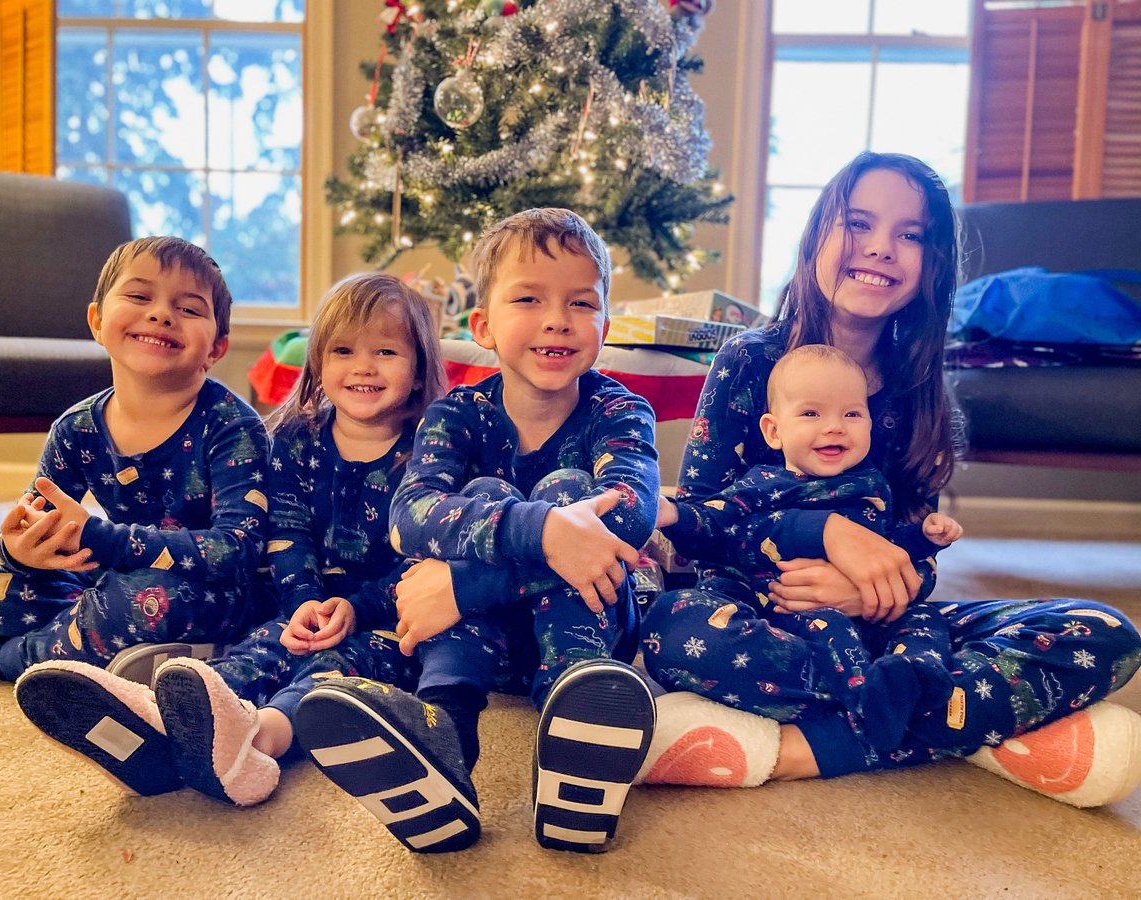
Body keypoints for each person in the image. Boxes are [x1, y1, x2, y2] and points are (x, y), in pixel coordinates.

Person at [638, 151, 1141, 808]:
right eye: (859, 223)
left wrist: (874, 583)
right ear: (817, 234)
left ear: (933, 265)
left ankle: (805, 748)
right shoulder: (750, 360)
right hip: (764, 618)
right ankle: (973, 731)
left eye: (912, 236)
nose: (881, 248)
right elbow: (702, 526)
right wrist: (824, 532)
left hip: (888, 633)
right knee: (670, 629)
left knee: (1104, 630)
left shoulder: (916, 385)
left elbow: (917, 562)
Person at [292, 208, 662, 854]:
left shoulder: (619, 411)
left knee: (571, 496)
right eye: (529, 298)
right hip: (484, 654)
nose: (557, 319)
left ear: (604, 322)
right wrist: (538, 535)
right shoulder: (456, 414)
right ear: (483, 326)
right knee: (491, 499)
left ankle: (574, 737)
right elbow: (409, 519)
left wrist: (463, 589)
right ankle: (444, 741)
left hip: (590, 637)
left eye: (581, 302)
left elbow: (628, 514)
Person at [11, 273, 448, 812]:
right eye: (342, 350)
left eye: (386, 351)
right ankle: (165, 726)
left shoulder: (431, 447)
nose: (363, 366)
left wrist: (356, 608)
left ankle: (261, 743)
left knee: (336, 669)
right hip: (303, 602)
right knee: (259, 650)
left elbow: (431, 557)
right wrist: (302, 601)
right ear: (317, 361)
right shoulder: (296, 438)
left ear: (420, 365)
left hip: (394, 618)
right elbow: (287, 533)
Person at [0, 236, 269, 683]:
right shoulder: (76, 428)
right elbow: (38, 523)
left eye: (190, 309)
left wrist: (101, 539)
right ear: (97, 321)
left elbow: (238, 550)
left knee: (145, 598)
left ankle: (0, 657)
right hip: (113, 576)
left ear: (215, 348)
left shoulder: (233, 426)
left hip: (215, 592)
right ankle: (99, 636)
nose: (161, 314)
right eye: (138, 296)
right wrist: (22, 552)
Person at [656, 343, 963, 752]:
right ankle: (873, 706)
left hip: (873, 617)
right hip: (783, 618)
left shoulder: (871, 486)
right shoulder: (763, 483)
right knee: (674, 619)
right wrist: (671, 515)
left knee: (926, 622)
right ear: (774, 431)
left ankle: (910, 678)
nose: (835, 426)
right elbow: (714, 521)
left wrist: (924, 536)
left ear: (871, 423)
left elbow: (889, 547)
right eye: (811, 413)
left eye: (852, 414)